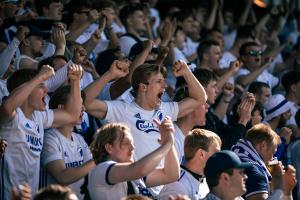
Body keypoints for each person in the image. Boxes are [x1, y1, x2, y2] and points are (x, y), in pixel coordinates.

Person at [84, 60, 206, 162]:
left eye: (164, 81)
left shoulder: (166, 109)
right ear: (143, 87)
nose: (164, 86)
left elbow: (200, 98)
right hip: (138, 184)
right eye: (159, 82)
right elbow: (85, 102)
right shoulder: (122, 109)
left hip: (164, 185)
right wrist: (110, 74)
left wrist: (187, 72)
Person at [0, 64, 82, 199]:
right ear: (27, 90)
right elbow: (7, 107)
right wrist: (39, 76)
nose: (46, 90)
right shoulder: (13, 116)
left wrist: (75, 81)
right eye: (40, 86)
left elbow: (73, 114)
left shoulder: (39, 117)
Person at [87, 117, 180, 199]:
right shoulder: (100, 170)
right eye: (126, 143)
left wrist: (167, 142)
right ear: (109, 148)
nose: (133, 148)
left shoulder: (131, 173)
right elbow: (141, 169)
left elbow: (171, 175)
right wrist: (167, 143)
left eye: (133, 144)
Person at [40, 86, 95, 199]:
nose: (83, 109)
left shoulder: (79, 138)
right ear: (61, 108)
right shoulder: (49, 138)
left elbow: (92, 170)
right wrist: (99, 157)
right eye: (78, 104)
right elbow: (62, 177)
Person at [231, 124, 297, 199]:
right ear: (263, 145)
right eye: (272, 153)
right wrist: (281, 187)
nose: (273, 159)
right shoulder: (254, 170)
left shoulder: (235, 154)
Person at [159, 129, 221, 200]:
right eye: (216, 153)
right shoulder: (178, 186)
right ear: (201, 154)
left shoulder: (204, 181)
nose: (219, 157)